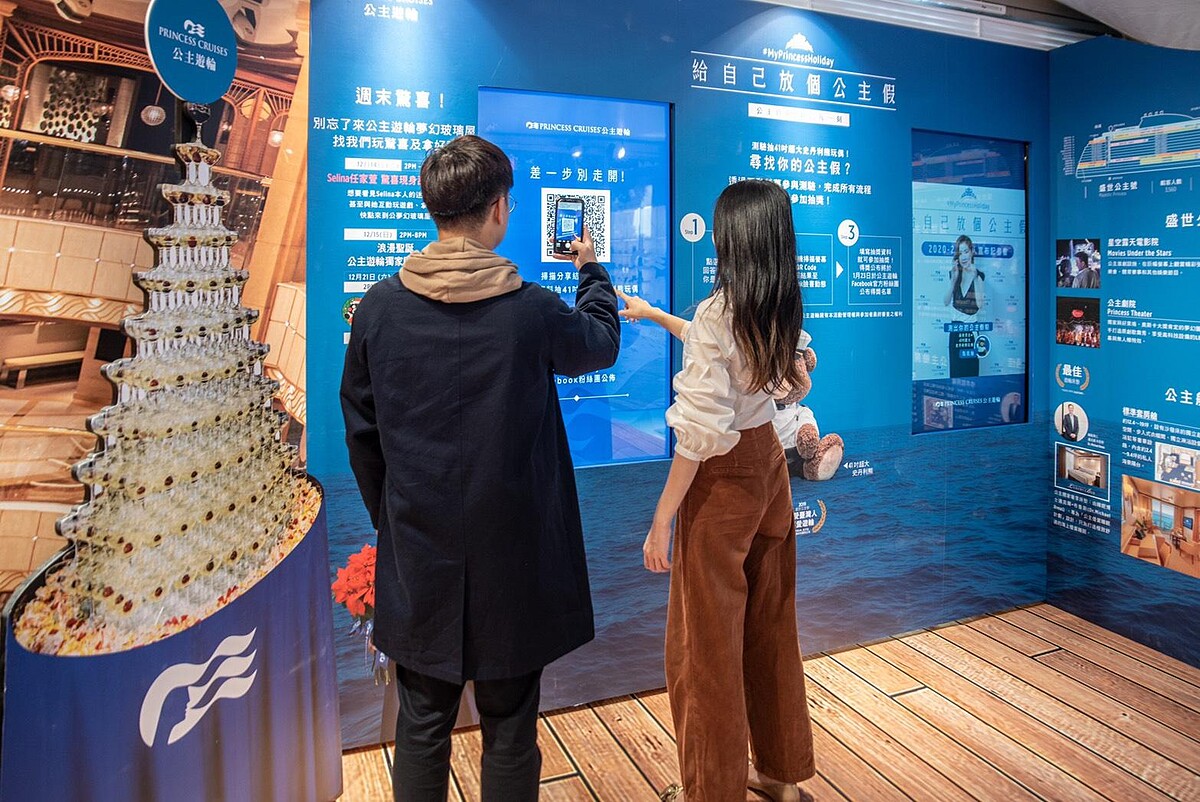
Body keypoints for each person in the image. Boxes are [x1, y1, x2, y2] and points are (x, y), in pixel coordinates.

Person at [340, 135, 620, 802]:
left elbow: (362, 431)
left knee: (421, 723)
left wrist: (394, 518)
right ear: (498, 209)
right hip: (515, 554)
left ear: (433, 208)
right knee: (511, 728)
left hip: (420, 551)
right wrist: (591, 270)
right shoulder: (531, 310)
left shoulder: (378, 309)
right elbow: (600, 344)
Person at [643, 180, 816, 802]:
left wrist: (662, 518)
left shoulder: (720, 313)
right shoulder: (779, 304)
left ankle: (711, 791)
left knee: (705, 648)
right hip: (769, 467)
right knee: (771, 626)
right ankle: (780, 777)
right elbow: (727, 352)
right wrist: (653, 314)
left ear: (731, 240)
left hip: (722, 480)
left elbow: (697, 437)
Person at [943, 234, 985, 378]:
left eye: (966, 251)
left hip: (972, 333)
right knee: (956, 374)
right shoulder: (954, 274)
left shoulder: (979, 276)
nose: (963, 257)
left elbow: (980, 304)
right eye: (960, 253)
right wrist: (953, 281)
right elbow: (946, 301)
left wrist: (974, 276)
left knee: (971, 374)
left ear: (972, 252)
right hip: (956, 332)